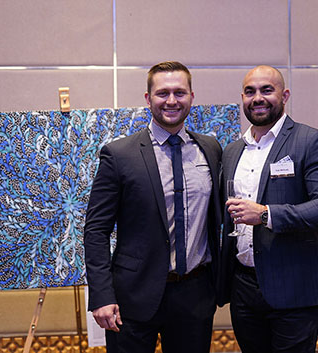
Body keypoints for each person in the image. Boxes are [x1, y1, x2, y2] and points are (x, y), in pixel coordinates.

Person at [84, 61, 222, 353]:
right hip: (131, 296)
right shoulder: (119, 154)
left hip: (195, 295)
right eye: (162, 93)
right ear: (148, 99)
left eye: (179, 93)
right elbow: (96, 230)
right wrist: (101, 295)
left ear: (191, 97)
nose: (171, 101)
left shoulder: (210, 149)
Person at [218, 65, 318, 352]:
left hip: (293, 288)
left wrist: (265, 215)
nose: (257, 98)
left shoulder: (311, 141)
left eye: (267, 90)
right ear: (242, 97)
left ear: (284, 95)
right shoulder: (232, 151)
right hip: (244, 288)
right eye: (250, 92)